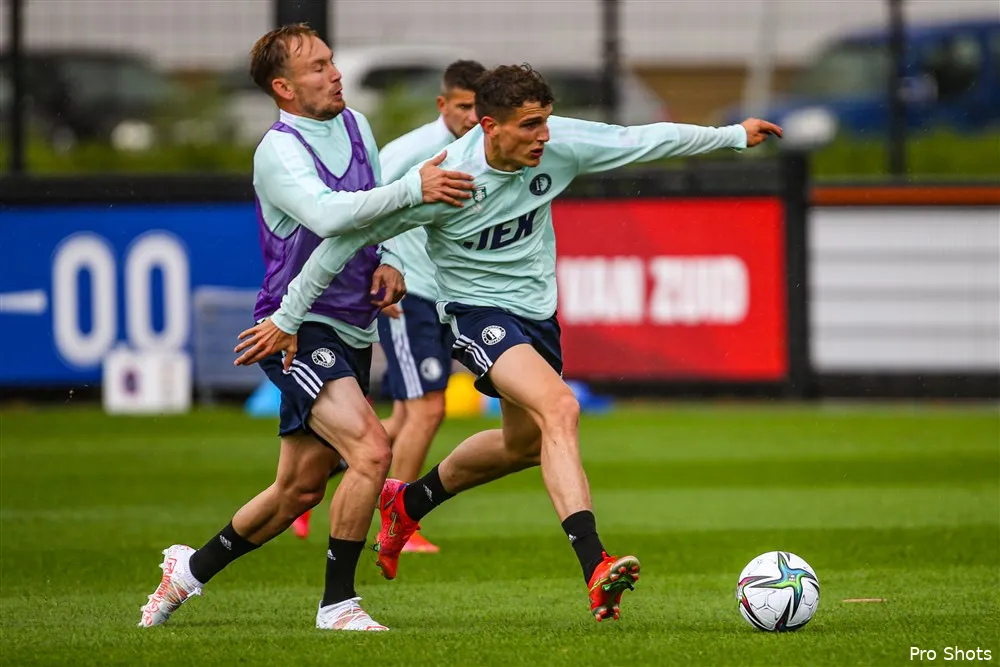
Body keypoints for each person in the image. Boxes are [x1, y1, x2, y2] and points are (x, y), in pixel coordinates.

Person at [234, 64, 781, 622]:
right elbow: (345, 240)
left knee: (523, 446)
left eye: (545, 121)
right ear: (490, 126)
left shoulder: (559, 145)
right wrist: (288, 317)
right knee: (560, 408)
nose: (544, 136)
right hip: (476, 315)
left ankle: (409, 501)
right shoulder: (448, 178)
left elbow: (642, 140)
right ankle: (594, 564)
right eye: (529, 126)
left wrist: (734, 136)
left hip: (537, 315)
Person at [138, 23, 475, 632]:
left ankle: (188, 570)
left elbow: (378, 206)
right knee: (372, 450)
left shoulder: (356, 125)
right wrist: (412, 188)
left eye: (330, 60)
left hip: (353, 327)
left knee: (298, 489)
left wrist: (392, 259)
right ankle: (338, 604)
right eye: (317, 67)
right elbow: (328, 214)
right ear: (284, 88)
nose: (335, 73)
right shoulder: (279, 149)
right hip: (294, 326)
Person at [291, 59, 487, 551]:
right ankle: (398, 521)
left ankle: (318, 475)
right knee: (427, 409)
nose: (471, 116)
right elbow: (369, 207)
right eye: (463, 106)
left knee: (403, 419)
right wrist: (383, 268)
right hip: (409, 294)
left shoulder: (484, 149)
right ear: (442, 104)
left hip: (446, 296)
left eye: (479, 107)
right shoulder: (410, 151)